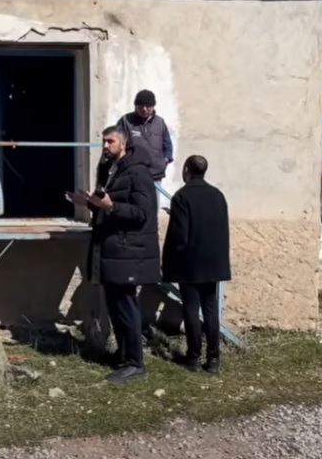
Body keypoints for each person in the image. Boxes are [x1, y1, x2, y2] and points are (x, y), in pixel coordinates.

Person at [68, 126, 161, 384]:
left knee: (126, 308)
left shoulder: (138, 172)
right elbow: (110, 205)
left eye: (110, 141)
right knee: (117, 308)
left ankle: (135, 364)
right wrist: (90, 203)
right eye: (104, 141)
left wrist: (110, 206)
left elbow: (142, 213)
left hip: (127, 252)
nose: (106, 146)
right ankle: (124, 357)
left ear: (124, 143)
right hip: (113, 251)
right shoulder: (111, 169)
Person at [161, 155, 231, 374]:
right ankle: (214, 358)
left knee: (191, 307)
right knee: (210, 308)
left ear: (186, 170)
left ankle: (193, 356)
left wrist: (169, 262)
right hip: (213, 262)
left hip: (190, 261)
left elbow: (179, 236)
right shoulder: (218, 195)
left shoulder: (182, 197)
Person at [115, 89, 174, 183]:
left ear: (153, 106)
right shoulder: (126, 121)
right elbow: (117, 144)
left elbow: (167, 143)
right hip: (133, 174)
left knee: (155, 193)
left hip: (155, 174)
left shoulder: (160, 122)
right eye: (141, 106)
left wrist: (166, 160)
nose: (144, 109)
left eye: (148, 106)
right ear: (136, 106)